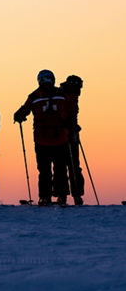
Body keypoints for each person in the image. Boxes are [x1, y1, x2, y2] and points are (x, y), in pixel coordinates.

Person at [14, 70, 70, 206]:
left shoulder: (34, 96)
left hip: (41, 139)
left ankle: (44, 197)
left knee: (44, 170)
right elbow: (70, 111)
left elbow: (23, 111)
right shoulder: (62, 94)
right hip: (61, 138)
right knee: (61, 169)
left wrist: (18, 116)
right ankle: (61, 196)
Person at [60, 75, 84, 205]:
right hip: (66, 135)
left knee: (65, 166)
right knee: (72, 166)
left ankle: (63, 195)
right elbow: (67, 114)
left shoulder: (68, 94)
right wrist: (72, 128)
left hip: (66, 134)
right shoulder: (68, 95)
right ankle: (74, 195)